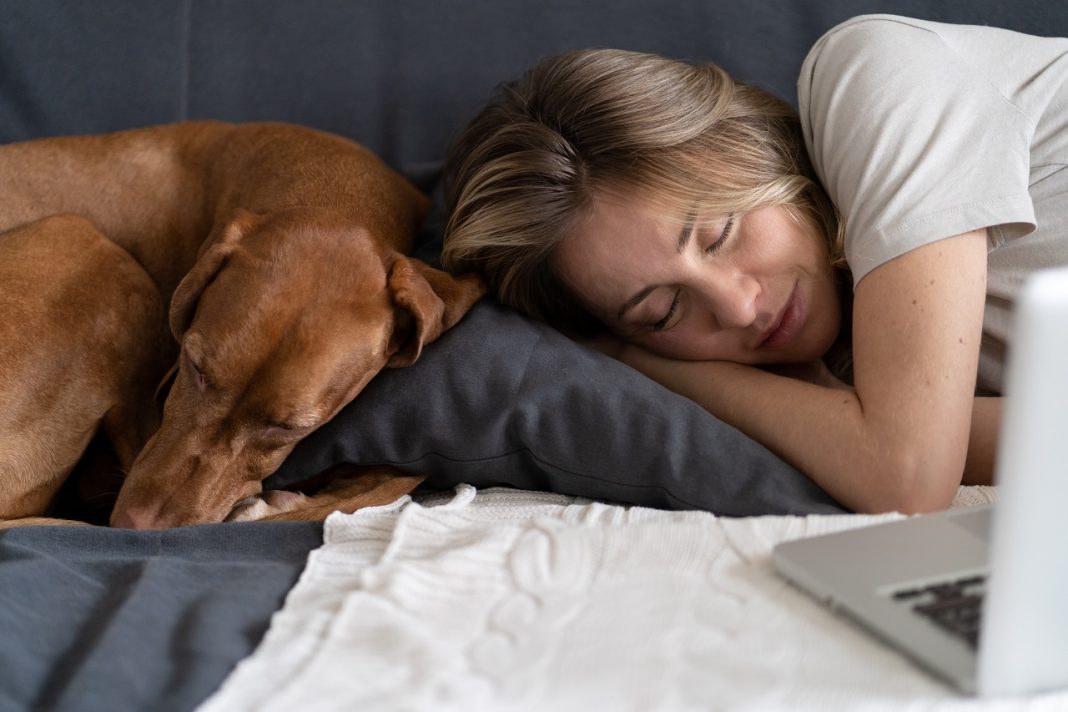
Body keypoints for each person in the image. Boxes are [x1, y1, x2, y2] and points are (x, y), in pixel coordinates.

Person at [441, 15, 1068, 514]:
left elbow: (906, 475)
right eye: (663, 312)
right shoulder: (850, 361)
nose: (739, 307)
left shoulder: (875, 75)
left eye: (719, 235)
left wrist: (648, 363)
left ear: (753, 146)